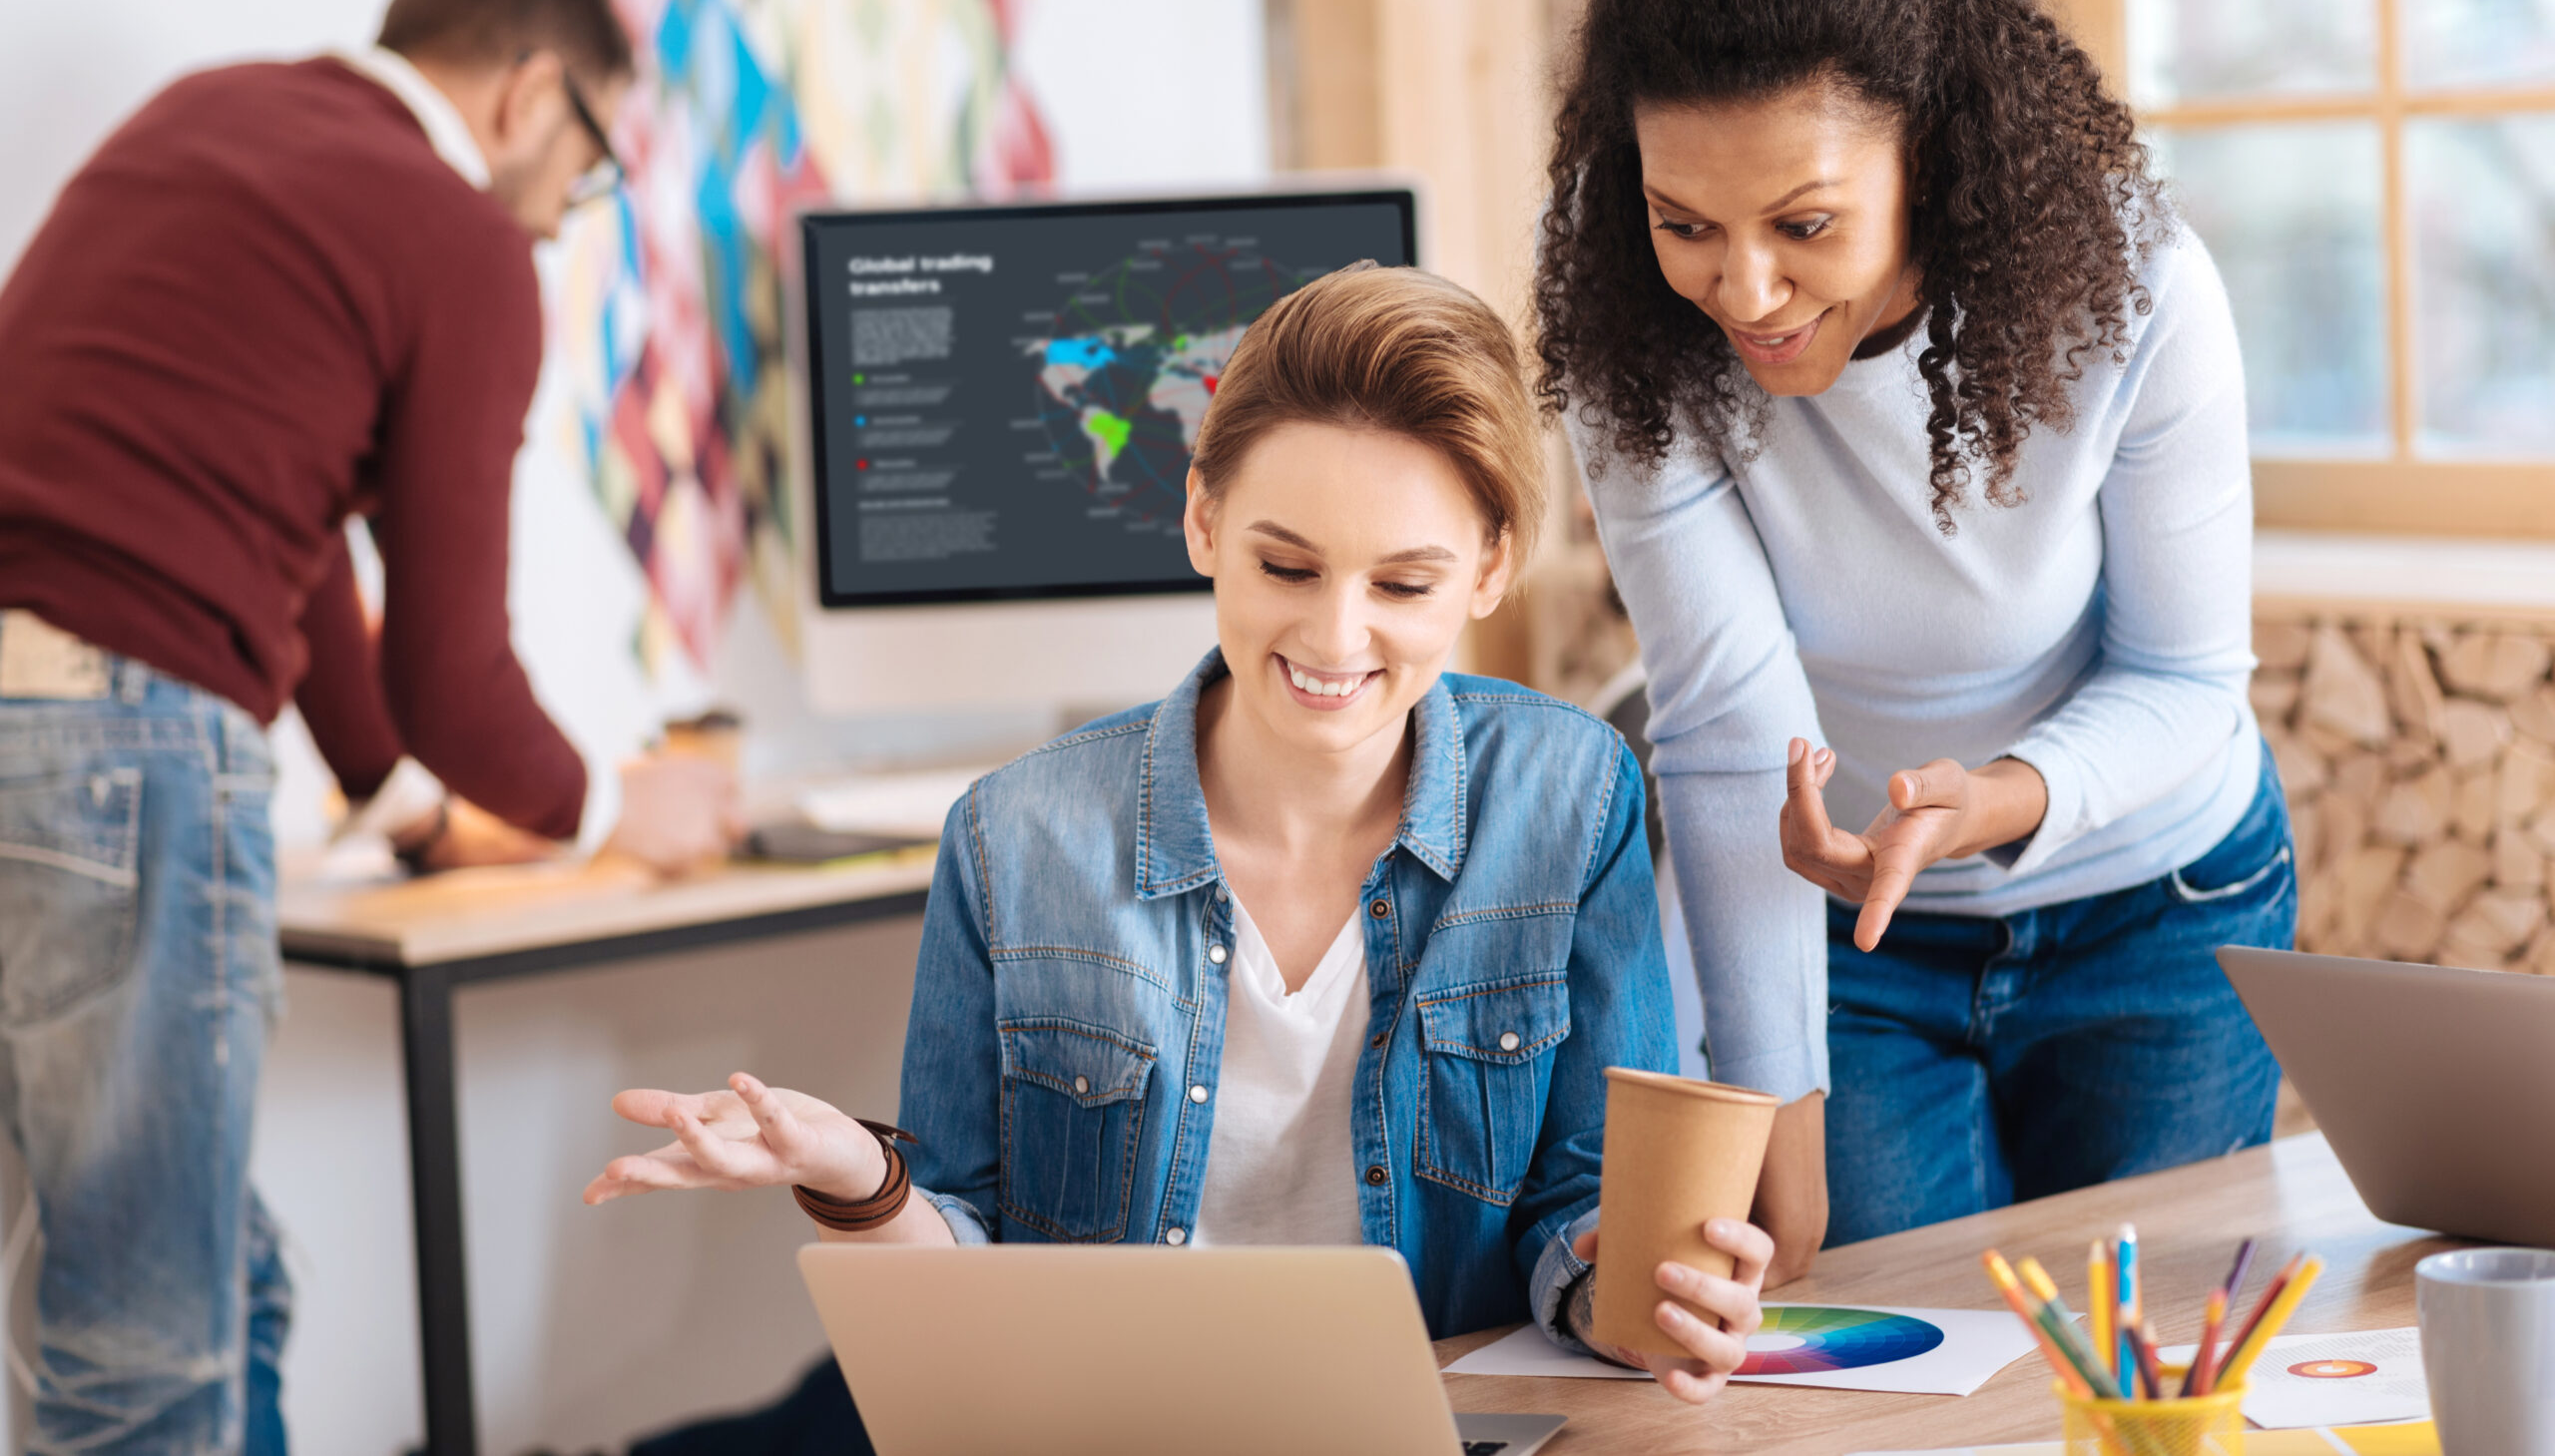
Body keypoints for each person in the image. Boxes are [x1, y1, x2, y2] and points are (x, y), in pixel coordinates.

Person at [585, 264, 1776, 1424]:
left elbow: (1577, 1205)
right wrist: (860, 1176)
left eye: (1404, 584)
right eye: (1284, 564)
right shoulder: (1016, 835)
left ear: (1490, 567)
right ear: (1202, 517)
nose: (1334, 633)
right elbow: (962, 1272)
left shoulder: (1569, 794)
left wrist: (1641, 1294)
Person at [0, 0, 739, 1453]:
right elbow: (457, 679)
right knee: (146, 1362)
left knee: (214, 1290)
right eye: (588, 161)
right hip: (120, 758)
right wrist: (612, 809)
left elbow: (294, 539)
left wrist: (404, 811)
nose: (559, 217)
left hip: (43, 742)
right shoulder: (454, 236)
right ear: (533, 93)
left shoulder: (205, 119)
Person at [1536, 0, 2293, 1265]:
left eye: (1803, 224)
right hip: (1857, 942)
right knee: (1883, 1371)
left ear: (1931, 162)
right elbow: (1722, 721)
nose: (1741, 292)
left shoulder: (2132, 290)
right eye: (1685, 221)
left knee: (2136, 1378)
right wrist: (1776, 1108)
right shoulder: (1628, 300)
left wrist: (2001, 797)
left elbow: (2188, 684)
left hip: (2162, 910)